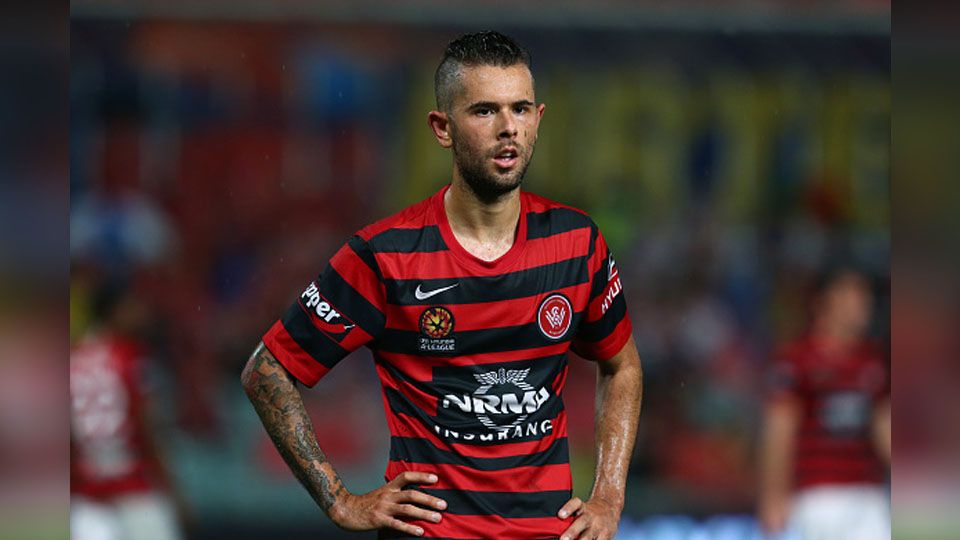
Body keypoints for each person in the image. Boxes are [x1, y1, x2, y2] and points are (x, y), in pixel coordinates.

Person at [241, 31, 643, 540]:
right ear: (441, 127)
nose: (507, 129)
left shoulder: (576, 242)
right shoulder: (385, 255)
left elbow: (622, 365)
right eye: (484, 111)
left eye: (520, 109)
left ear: (539, 118)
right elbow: (267, 370)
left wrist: (608, 495)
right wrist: (339, 500)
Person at [758, 267, 891, 539]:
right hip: (817, 496)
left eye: (864, 297)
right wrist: (773, 495)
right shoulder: (796, 360)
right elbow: (780, 430)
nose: (862, 305)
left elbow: (884, 427)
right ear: (824, 302)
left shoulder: (872, 361)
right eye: (852, 296)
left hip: (868, 495)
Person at [71, 279, 187, 540]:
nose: (140, 312)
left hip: (84, 497)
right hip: (134, 490)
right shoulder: (131, 356)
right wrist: (173, 490)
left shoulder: (71, 358)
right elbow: (149, 428)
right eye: (132, 306)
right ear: (115, 311)